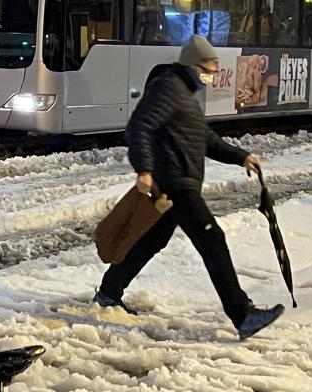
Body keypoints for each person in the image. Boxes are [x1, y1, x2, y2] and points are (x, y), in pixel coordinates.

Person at [92, 35, 285, 340]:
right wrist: (144, 168)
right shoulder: (168, 88)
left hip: (176, 184)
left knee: (150, 241)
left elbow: (205, 139)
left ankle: (108, 293)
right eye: (210, 66)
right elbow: (139, 127)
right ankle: (243, 314)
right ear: (193, 65)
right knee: (213, 241)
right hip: (175, 182)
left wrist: (242, 157)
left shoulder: (184, 95)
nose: (213, 72)